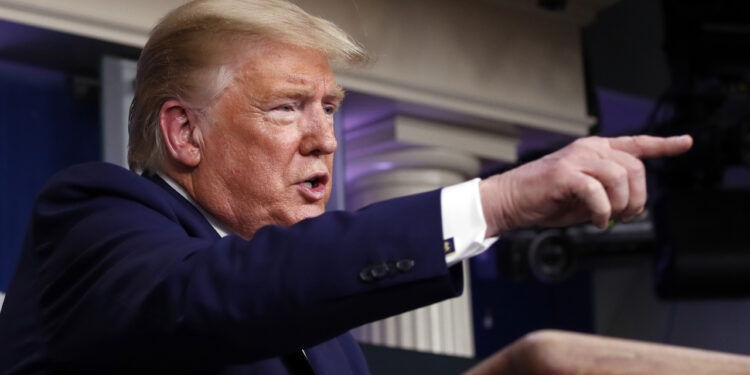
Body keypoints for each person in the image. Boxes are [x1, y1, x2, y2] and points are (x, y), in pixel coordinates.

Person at [0, 0, 693, 374]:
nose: (326, 137)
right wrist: (498, 201)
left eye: (329, 108)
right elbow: (222, 292)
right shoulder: (93, 215)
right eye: (287, 106)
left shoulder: (329, 344)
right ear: (184, 134)